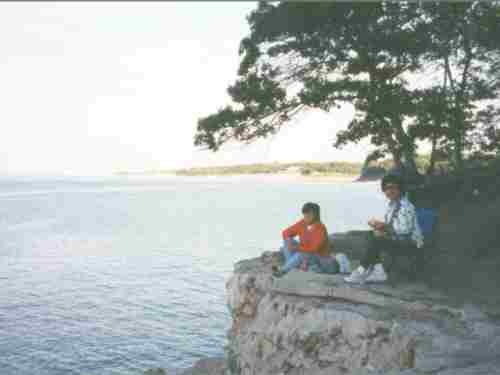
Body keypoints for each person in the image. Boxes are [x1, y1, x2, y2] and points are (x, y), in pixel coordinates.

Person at [344, 174, 424, 283]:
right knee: (371, 235)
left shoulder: (406, 206)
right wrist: (379, 227)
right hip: (399, 239)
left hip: (411, 243)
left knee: (377, 239)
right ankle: (378, 271)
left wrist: (382, 226)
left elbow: (404, 230)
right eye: (386, 188)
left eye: (393, 188)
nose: (389, 191)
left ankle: (362, 270)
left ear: (400, 189)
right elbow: (392, 226)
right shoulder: (392, 205)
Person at [273, 202, 333, 277]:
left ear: (315, 215)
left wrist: (296, 248)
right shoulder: (303, 223)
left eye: (309, 215)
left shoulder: (321, 228)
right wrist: (288, 241)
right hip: (304, 254)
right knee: (286, 242)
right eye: (305, 214)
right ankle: (292, 265)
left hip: (318, 258)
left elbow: (313, 249)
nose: (306, 217)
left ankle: (283, 270)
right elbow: (286, 232)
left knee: (301, 254)